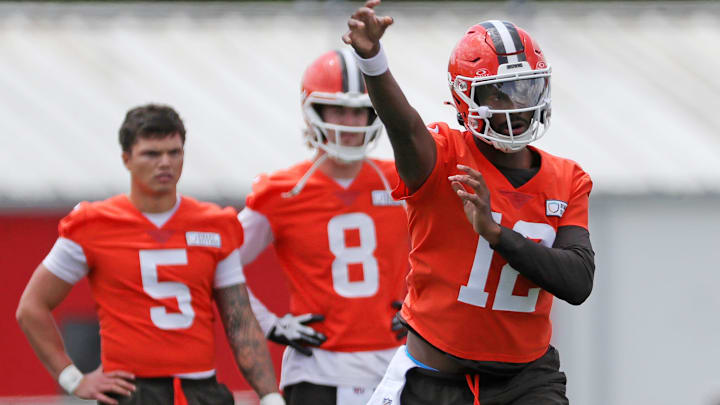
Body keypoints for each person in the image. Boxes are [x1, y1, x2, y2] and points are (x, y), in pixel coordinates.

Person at [343, 2, 596, 404]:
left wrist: (496, 234)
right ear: (467, 99)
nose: (517, 104)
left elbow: (578, 282)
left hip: (527, 383)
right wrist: (372, 61)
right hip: (434, 381)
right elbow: (404, 127)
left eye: (526, 88)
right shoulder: (443, 156)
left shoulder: (568, 179)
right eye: (500, 93)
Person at [16, 104, 285, 405]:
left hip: (200, 390)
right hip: (134, 391)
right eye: (152, 154)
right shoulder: (93, 225)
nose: (165, 163)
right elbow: (31, 307)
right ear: (126, 159)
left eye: (174, 152)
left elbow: (239, 320)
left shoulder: (214, 224)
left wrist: (270, 395)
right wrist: (72, 378)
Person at [238, 49, 410, 405]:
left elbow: (449, 250)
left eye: (359, 111)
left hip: (395, 366)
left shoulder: (400, 182)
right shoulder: (283, 191)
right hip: (317, 370)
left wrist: (422, 305)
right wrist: (269, 322)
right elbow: (219, 264)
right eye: (338, 109)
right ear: (313, 110)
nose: (349, 123)